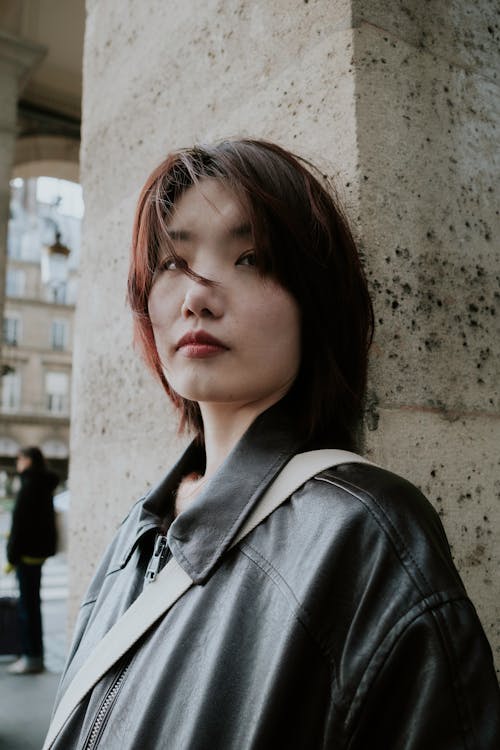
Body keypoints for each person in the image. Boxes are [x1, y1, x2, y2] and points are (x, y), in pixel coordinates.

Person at [48, 140, 499, 748]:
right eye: (173, 263)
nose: (196, 297)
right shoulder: (139, 528)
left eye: (252, 257)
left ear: (315, 302)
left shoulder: (364, 534)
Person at [6, 446, 58, 674]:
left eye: (19, 459)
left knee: (27, 607)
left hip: (26, 554)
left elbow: (20, 524)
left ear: (27, 460)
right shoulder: (45, 485)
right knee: (32, 604)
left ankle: (31, 657)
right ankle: (35, 655)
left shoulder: (29, 486)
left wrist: (11, 555)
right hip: (38, 553)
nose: (17, 463)